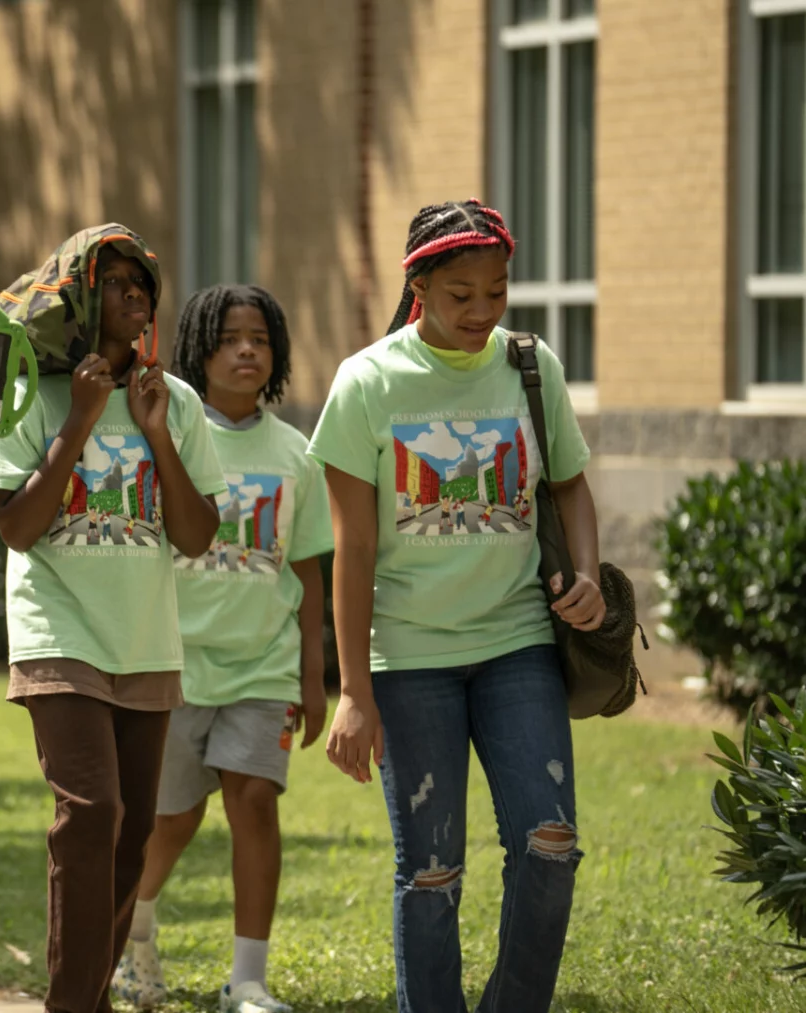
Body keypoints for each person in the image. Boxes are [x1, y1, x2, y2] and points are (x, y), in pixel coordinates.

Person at [309, 199, 599, 1013]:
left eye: (496, 292)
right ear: (419, 287)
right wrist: (353, 692)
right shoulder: (367, 382)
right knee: (432, 874)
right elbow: (352, 552)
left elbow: (571, 484)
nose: (481, 311)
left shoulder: (531, 365)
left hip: (518, 644)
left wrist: (588, 571)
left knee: (551, 844)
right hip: (409, 660)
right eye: (460, 294)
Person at [0, 226, 225, 1013]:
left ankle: (89, 998)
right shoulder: (31, 391)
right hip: (60, 631)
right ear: (80, 298)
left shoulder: (174, 401)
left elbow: (196, 535)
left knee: (131, 835)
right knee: (92, 812)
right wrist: (80, 419)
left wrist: (155, 433)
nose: (135, 295)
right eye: (115, 281)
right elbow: (18, 527)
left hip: (144, 641)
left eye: (142, 283)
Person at [109, 285, 331, 1013]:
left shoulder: (296, 454)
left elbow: (308, 572)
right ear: (199, 352)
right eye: (230, 339)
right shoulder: (166, 432)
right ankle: (136, 928)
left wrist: (313, 676)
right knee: (172, 818)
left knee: (255, 801)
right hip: (174, 665)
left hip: (263, 667)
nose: (246, 351)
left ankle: (249, 980)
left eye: (260, 340)